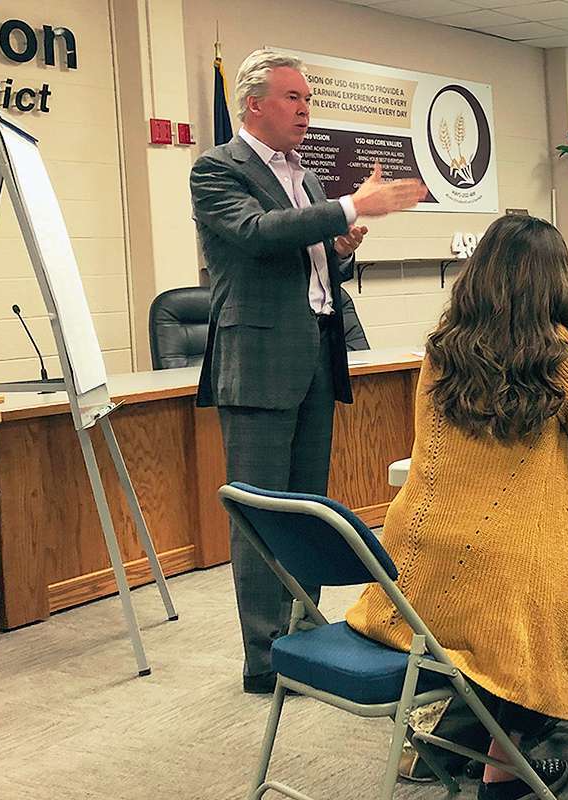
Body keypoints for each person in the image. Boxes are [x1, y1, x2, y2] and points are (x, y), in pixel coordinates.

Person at [346, 214, 568, 799]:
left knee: (486, 638)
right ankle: (504, 770)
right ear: (554, 282)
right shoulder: (556, 353)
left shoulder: (441, 350)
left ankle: (447, 734)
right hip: (506, 580)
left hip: (414, 566)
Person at [190, 49, 427, 695]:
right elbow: (260, 233)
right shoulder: (216, 168)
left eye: (307, 99)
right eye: (293, 98)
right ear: (254, 104)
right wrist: (352, 208)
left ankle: (305, 638)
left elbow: (313, 265)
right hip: (260, 367)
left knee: (307, 511)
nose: (304, 110)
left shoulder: (309, 177)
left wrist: (340, 251)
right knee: (264, 516)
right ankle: (265, 658)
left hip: (316, 359)